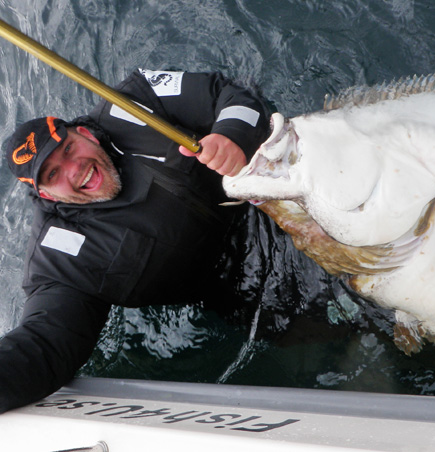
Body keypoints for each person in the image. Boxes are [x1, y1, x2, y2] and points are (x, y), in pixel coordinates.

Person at [0, 69, 272, 413]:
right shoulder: (58, 259)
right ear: (46, 196)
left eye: (68, 148)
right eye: (53, 174)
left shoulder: (135, 101)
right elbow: (45, 344)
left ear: (85, 134)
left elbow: (231, 96)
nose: (74, 169)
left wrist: (231, 135)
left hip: (273, 203)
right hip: (245, 292)